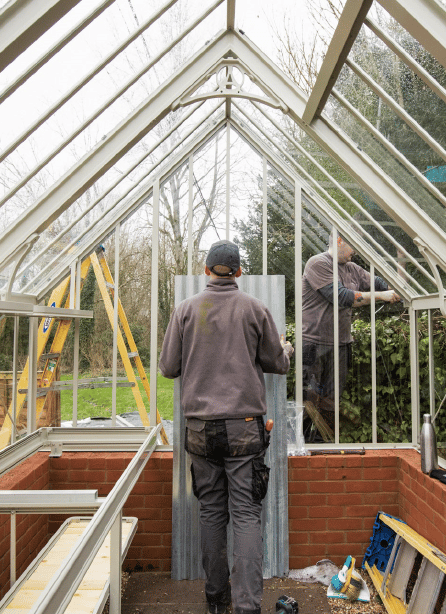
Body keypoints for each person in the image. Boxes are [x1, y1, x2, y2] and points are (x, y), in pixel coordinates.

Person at [159, 240, 293, 614]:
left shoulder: (186, 311)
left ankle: (216, 601)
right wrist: (286, 348)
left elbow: (168, 368)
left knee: (211, 513)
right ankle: (247, 606)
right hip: (245, 430)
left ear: (206, 270)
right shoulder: (255, 309)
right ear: (238, 272)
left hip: (200, 431)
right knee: (247, 515)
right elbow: (277, 363)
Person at [302, 233, 400, 439]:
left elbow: (381, 284)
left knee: (332, 400)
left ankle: (325, 444)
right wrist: (380, 296)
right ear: (339, 241)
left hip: (341, 344)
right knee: (309, 399)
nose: (355, 251)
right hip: (313, 344)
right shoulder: (318, 263)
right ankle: (305, 447)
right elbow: (341, 297)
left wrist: (398, 274)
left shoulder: (353, 269)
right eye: (353, 245)